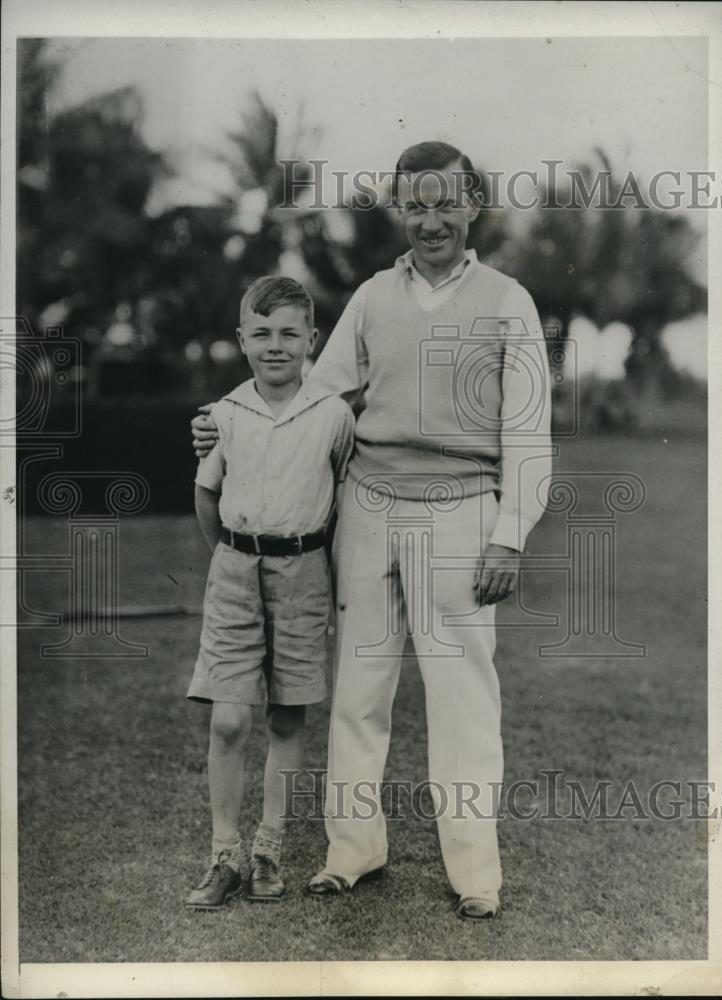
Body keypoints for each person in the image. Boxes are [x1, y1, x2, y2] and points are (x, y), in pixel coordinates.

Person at [192, 141, 552, 920]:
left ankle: (473, 872)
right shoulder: (370, 298)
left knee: (461, 695)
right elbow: (310, 401)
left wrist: (510, 533)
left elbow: (529, 432)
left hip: (463, 512)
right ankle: (352, 851)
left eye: (444, 203)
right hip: (367, 510)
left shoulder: (506, 299)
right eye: (414, 205)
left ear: (472, 203)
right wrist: (228, 429)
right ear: (399, 209)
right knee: (358, 689)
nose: (431, 221)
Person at [185, 275, 354, 910]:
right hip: (234, 569)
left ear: (312, 339)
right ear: (241, 340)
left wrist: (309, 563)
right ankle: (223, 852)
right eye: (261, 333)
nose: (275, 346)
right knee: (229, 718)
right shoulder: (224, 414)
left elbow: (342, 497)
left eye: (289, 333)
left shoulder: (333, 413)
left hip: (305, 572)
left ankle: (268, 848)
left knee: (287, 714)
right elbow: (207, 495)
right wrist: (232, 555)